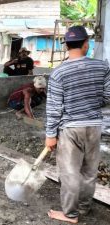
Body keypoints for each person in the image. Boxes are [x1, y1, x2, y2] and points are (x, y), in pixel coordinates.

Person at [45, 25, 110, 224]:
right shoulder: (102, 67)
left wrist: (50, 134)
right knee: (89, 171)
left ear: (66, 46)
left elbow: (54, 108)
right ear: (86, 45)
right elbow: (108, 96)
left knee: (70, 173)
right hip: (94, 126)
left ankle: (71, 214)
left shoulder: (58, 73)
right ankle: (84, 207)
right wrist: (91, 103)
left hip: (70, 129)